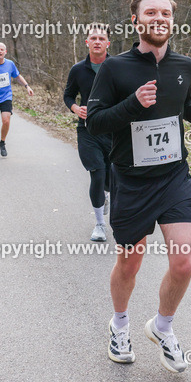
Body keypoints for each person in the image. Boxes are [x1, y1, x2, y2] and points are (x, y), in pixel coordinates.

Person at [86, 0, 191, 373]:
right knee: (130, 262)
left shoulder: (184, 65)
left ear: (172, 19)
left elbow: (183, 104)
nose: (159, 19)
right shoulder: (114, 67)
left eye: (165, 13)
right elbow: (95, 122)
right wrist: (131, 104)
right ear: (135, 20)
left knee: (185, 264)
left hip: (174, 175)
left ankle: (162, 327)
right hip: (131, 178)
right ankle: (120, 325)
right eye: (151, 13)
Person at [63, 24, 112, 242]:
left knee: (111, 179)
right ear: (87, 42)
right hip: (87, 130)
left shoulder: (117, 66)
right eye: (94, 38)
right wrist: (75, 108)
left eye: (102, 38)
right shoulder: (78, 70)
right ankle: (100, 225)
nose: (98, 41)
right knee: (97, 173)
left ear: (108, 43)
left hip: (113, 131)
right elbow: (68, 95)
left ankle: (106, 194)